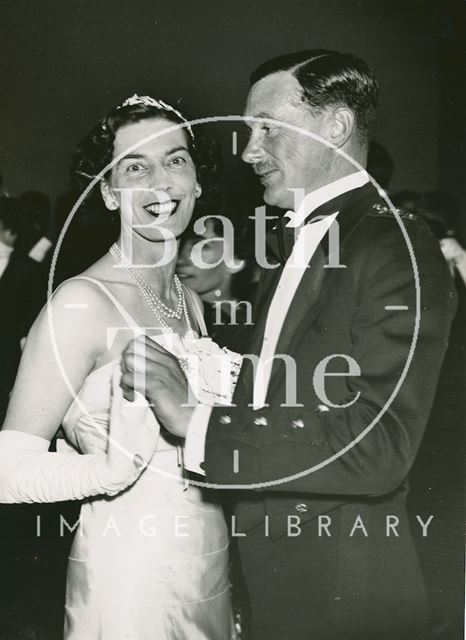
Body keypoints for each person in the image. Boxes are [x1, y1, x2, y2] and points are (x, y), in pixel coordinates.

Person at [121, 51, 457, 639]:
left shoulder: (393, 244)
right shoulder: (302, 236)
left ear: (337, 125)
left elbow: (382, 442)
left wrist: (195, 420)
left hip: (349, 595)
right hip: (283, 581)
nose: (249, 151)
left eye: (267, 127)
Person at [0, 95, 237, 639]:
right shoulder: (81, 302)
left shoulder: (188, 300)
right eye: (136, 167)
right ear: (108, 192)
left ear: (198, 181)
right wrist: (109, 470)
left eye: (175, 160)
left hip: (208, 559)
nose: (161, 183)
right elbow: (8, 468)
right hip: (130, 576)